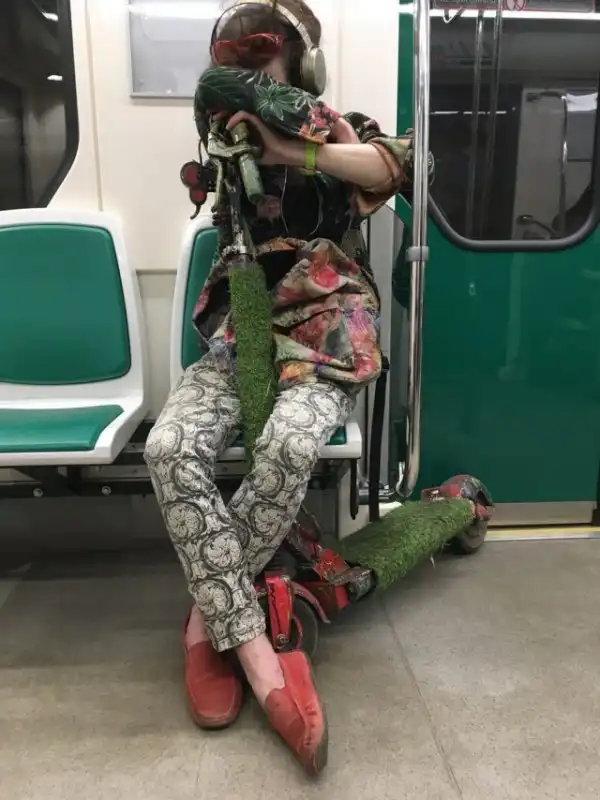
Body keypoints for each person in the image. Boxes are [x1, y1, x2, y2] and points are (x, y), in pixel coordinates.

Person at [145, 0, 417, 777]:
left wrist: (295, 148)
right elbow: (219, 113)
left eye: (262, 60)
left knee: (289, 444)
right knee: (169, 447)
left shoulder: (341, 126)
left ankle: (207, 629)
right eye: (235, 59)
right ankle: (251, 644)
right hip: (247, 330)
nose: (249, 77)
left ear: (303, 67)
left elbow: (395, 167)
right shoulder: (224, 131)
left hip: (328, 329)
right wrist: (247, 140)